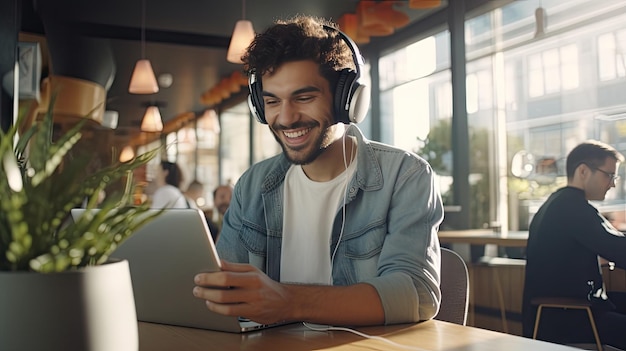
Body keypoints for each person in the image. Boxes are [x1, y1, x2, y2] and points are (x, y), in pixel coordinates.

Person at [192, 15, 444, 327]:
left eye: (304, 97)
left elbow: (415, 293)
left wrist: (289, 302)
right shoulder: (253, 185)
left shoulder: (404, 176)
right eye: (272, 101)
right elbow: (218, 291)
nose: (286, 118)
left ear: (347, 100)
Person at [522, 140, 626, 349]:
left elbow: (609, 241)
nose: (613, 184)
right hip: (571, 318)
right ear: (583, 171)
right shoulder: (573, 208)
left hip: (559, 314)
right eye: (609, 175)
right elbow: (618, 249)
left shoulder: (558, 202)